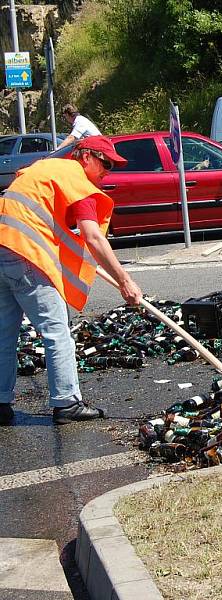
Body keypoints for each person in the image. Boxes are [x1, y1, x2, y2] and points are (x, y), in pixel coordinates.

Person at [0, 136, 142, 426]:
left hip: (3, 250)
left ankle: (0, 403)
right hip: (25, 256)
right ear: (86, 156)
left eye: (112, 166)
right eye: (106, 163)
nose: (108, 171)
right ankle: (67, 403)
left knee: (4, 335)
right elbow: (93, 238)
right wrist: (125, 281)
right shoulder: (77, 182)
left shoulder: (47, 169)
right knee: (57, 331)